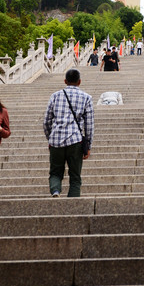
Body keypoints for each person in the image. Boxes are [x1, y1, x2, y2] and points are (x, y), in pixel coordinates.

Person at [43, 68, 94, 198]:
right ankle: (73, 202)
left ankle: (55, 190)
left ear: (65, 81)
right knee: (75, 175)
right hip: (75, 140)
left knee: (55, 172)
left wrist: (51, 138)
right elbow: (89, 125)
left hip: (56, 140)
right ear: (80, 82)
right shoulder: (86, 97)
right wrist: (87, 145)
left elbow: (47, 121)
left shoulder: (55, 96)